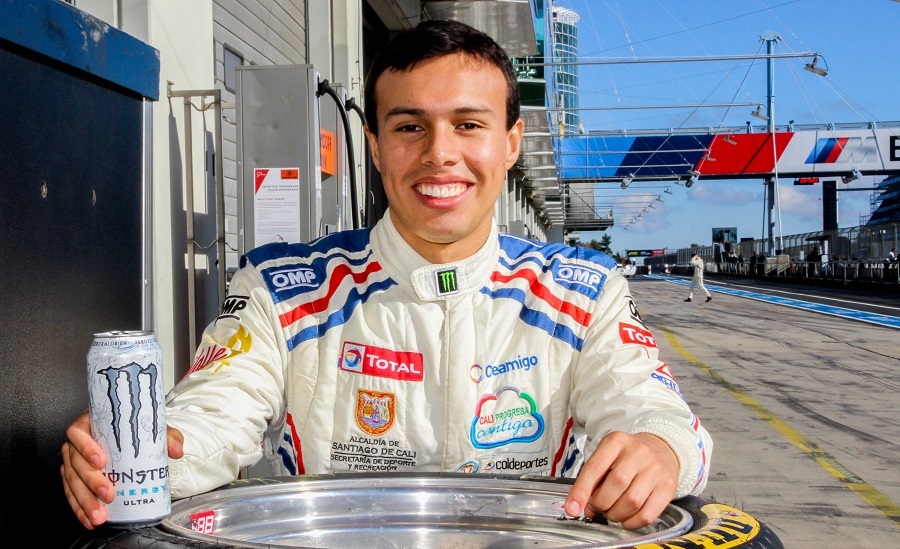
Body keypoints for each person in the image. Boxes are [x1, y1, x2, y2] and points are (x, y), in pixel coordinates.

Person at [61, 19, 711, 533]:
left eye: (468, 124)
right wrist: (149, 452)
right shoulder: (282, 288)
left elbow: (660, 416)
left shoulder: (583, 290)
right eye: (409, 127)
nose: (440, 153)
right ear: (374, 145)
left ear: (511, 142)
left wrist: (658, 451)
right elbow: (211, 417)